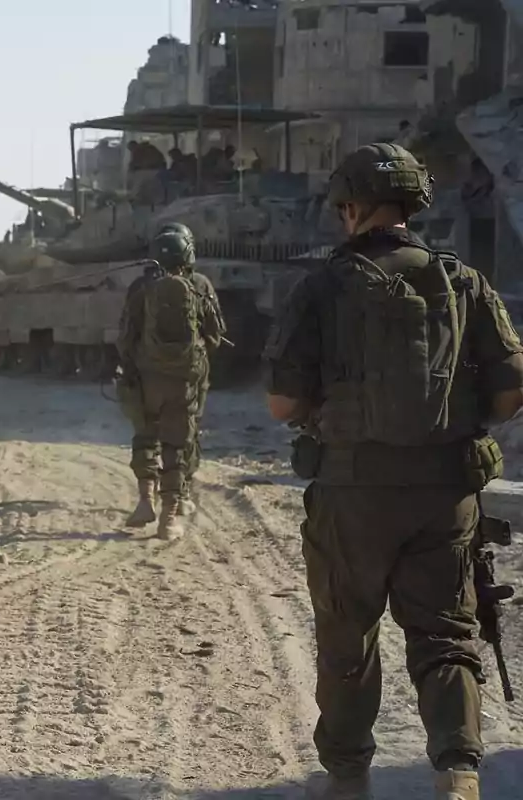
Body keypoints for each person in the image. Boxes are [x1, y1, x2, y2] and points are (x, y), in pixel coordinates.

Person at [263, 142, 523, 800]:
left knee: (348, 635)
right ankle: (459, 771)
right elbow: (511, 389)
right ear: (411, 206)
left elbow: (282, 402)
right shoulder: (463, 282)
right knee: (446, 633)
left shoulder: (320, 286)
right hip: (444, 495)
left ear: (351, 208)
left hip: (350, 495)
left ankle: (349, 778)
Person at [116, 221, 224, 538]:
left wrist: (133, 366)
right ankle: (169, 519)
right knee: (177, 445)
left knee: (145, 436)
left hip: (147, 380)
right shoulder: (201, 285)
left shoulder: (140, 288)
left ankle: (144, 501)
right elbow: (216, 336)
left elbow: (125, 337)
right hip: (183, 383)